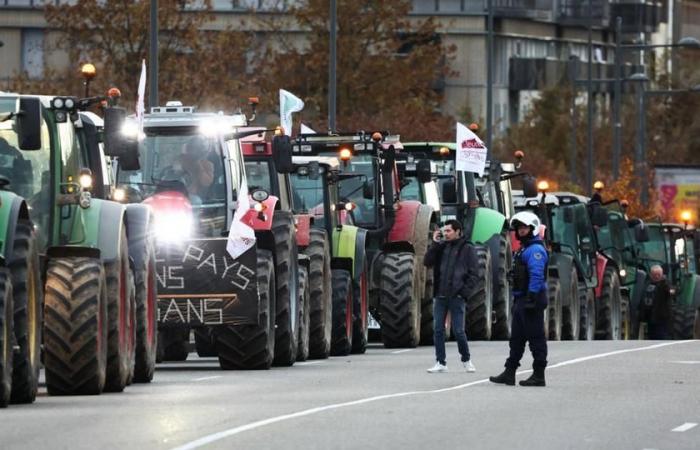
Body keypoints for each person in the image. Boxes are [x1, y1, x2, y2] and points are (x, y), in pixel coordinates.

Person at [490, 211, 549, 387]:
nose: (521, 231)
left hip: (532, 299)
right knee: (516, 339)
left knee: (536, 339)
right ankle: (509, 372)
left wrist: (531, 297)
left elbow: (536, 275)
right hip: (521, 299)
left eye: (525, 228)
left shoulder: (535, 250)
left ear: (533, 228)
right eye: (519, 228)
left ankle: (539, 375)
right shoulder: (523, 249)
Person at [423, 219, 479, 373]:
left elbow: (475, 274)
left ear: (457, 231)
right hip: (441, 295)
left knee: (459, 331)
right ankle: (440, 362)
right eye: (444, 231)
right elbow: (427, 262)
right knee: (438, 329)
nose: (446, 234)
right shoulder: (441, 248)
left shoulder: (467, 248)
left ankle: (466, 360)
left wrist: (463, 293)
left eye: (449, 231)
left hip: (457, 296)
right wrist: (435, 244)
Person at [639, 265, 672, 339]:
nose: (656, 277)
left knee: (661, 337)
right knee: (651, 337)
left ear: (662, 275)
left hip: (661, 318)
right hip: (649, 318)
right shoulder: (646, 284)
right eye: (654, 275)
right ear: (650, 275)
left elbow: (669, 291)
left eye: (658, 275)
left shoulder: (664, 284)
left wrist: (664, 282)